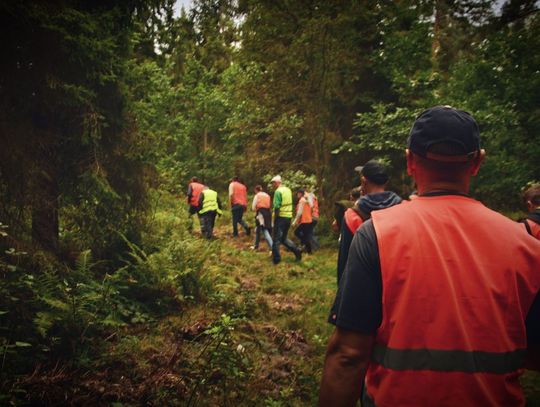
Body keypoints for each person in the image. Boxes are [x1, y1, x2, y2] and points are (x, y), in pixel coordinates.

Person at [319, 106, 540, 406]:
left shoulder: (376, 235)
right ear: (477, 162)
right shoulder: (525, 245)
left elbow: (348, 355)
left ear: (410, 161)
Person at [336, 160, 402, 283]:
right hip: (397, 281)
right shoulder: (403, 208)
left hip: (364, 283)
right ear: (386, 182)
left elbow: (345, 262)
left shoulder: (352, 216)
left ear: (363, 182)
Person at [270, 175, 302, 264]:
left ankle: (276, 260)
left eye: (273, 183)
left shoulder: (278, 192)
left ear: (277, 183)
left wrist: (275, 219)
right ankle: (297, 251)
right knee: (283, 239)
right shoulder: (288, 190)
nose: (272, 185)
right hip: (288, 217)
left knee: (276, 239)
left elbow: (277, 207)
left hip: (280, 217)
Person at [250, 185, 273, 250]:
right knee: (258, 229)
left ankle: (272, 247)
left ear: (256, 190)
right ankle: (256, 245)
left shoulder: (257, 195)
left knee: (264, 230)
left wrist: (255, 210)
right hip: (268, 213)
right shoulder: (267, 195)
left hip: (261, 213)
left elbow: (253, 207)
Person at [293, 189, 313, 254]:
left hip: (304, 221)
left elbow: (299, 212)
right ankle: (309, 251)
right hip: (308, 220)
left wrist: (295, 221)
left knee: (297, 232)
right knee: (306, 235)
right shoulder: (307, 201)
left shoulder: (302, 200)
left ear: (301, 194)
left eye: (298, 193)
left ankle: (304, 245)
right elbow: (312, 206)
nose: (297, 195)